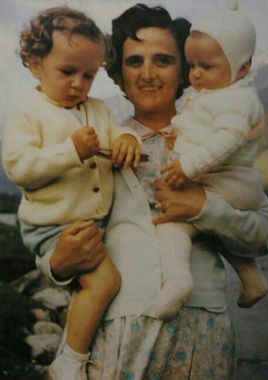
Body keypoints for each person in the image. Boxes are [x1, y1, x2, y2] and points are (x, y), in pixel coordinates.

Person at [33, 4, 268, 379]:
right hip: (117, 334)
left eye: (163, 60)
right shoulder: (95, 142)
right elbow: (53, 222)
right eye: (134, 62)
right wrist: (56, 263)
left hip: (203, 336)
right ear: (118, 71)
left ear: (186, 69)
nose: (147, 74)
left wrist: (203, 208)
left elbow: (265, 235)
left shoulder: (220, 139)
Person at [2, 7, 141, 380]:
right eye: (68, 72)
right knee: (105, 281)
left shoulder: (96, 110)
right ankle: (68, 363)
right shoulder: (27, 112)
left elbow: (117, 137)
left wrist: (127, 139)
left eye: (89, 75)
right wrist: (70, 151)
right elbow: (20, 168)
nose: (79, 84)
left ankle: (80, 353)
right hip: (52, 225)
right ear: (34, 62)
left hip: (90, 223)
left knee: (107, 282)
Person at [142, 1, 268, 320]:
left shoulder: (237, 99)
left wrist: (188, 165)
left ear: (242, 68)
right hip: (227, 186)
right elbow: (198, 127)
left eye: (206, 67)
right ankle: (252, 279)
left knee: (174, 224)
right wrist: (178, 136)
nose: (195, 74)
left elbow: (226, 140)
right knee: (209, 225)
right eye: (192, 65)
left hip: (228, 182)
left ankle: (178, 280)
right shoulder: (215, 94)